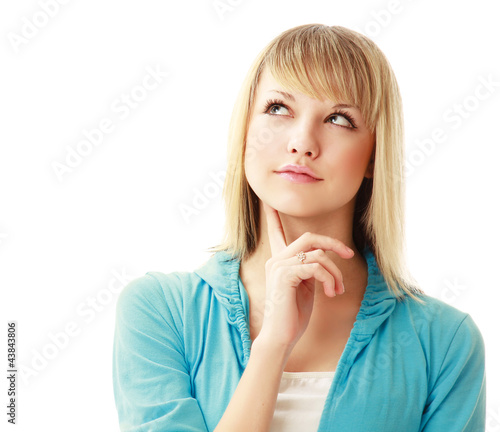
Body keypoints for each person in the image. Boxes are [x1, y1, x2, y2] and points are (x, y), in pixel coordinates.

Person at [112, 24, 486, 431]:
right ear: (245, 130)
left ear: (374, 156)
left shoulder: (446, 343)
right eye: (278, 108)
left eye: (339, 118)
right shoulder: (159, 311)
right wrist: (272, 345)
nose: (302, 142)